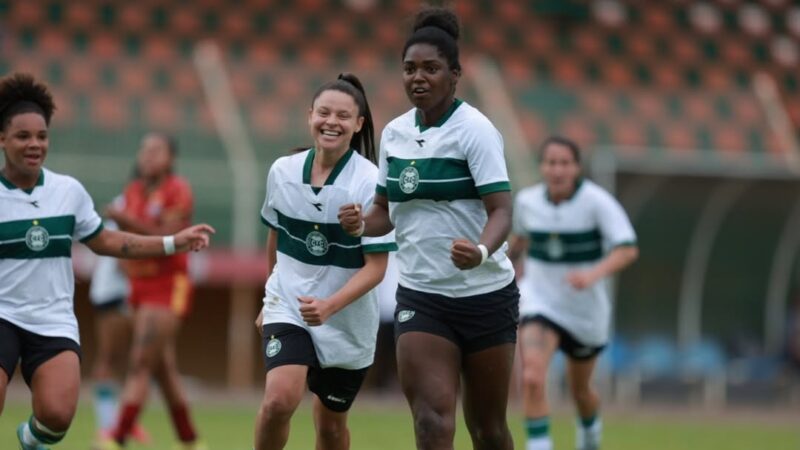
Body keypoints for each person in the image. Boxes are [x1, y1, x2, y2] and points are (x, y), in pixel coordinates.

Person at [0, 72, 213, 450]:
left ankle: (32, 441)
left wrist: (171, 241)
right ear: (2, 139)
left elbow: (109, 240)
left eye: (42, 136)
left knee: (58, 416)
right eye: (23, 136)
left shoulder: (67, 191)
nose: (34, 144)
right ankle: (144, 437)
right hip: (3, 313)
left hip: (52, 319)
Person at [338, 8, 519, 450]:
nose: (418, 77)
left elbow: (502, 210)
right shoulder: (396, 134)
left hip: (486, 297)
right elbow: (385, 210)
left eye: (431, 68)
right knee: (432, 422)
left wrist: (479, 251)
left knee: (488, 430)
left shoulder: (475, 130)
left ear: (454, 74)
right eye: (409, 69)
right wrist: (363, 223)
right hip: (422, 297)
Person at [254, 73, 396, 450]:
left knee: (331, 430)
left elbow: (377, 267)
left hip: (346, 320)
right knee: (278, 401)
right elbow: (275, 237)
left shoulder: (370, 182)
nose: (331, 122)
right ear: (310, 115)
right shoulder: (282, 172)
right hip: (290, 306)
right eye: (324, 112)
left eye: (343, 116)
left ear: (358, 124)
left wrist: (330, 306)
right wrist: (269, 301)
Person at [508, 136, 639, 450]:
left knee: (580, 390)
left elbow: (627, 249)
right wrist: (500, 265)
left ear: (577, 167)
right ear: (542, 167)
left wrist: (593, 274)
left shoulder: (597, 202)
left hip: (584, 311)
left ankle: (590, 437)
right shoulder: (527, 202)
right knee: (532, 377)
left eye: (564, 163)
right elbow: (519, 243)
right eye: (551, 163)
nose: (557, 170)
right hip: (539, 302)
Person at [96, 132, 206, 449]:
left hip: (168, 286)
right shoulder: (133, 191)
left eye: (156, 151)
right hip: (138, 287)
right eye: (144, 150)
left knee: (141, 361)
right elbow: (129, 243)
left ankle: (116, 437)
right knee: (162, 368)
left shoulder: (177, 190)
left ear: (170, 158)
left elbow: (169, 236)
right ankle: (191, 441)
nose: (147, 156)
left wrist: (123, 219)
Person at [88, 199, 150, 444]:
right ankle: (105, 426)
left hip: (125, 293)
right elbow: (123, 256)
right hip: (112, 294)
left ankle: (123, 421)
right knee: (109, 357)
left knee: (136, 360)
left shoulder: (146, 202)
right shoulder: (127, 203)